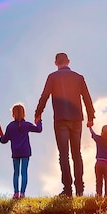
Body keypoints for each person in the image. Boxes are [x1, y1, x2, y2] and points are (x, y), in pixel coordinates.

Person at [35, 52, 95, 197]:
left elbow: (44, 96)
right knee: (77, 154)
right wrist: (91, 117)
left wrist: (38, 113)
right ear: (68, 61)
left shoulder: (52, 77)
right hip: (76, 120)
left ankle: (67, 190)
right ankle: (80, 189)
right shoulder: (78, 77)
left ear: (56, 63)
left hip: (61, 119)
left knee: (64, 155)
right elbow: (87, 98)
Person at [0, 104, 43, 199]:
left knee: (16, 172)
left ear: (13, 114)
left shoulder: (10, 126)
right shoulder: (26, 125)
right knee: (24, 172)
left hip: (15, 152)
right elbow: (39, 129)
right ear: (24, 113)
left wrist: (1, 137)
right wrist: (39, 121)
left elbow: (4, 140)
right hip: (25, 151)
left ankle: (16, 193)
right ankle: (22, 193)